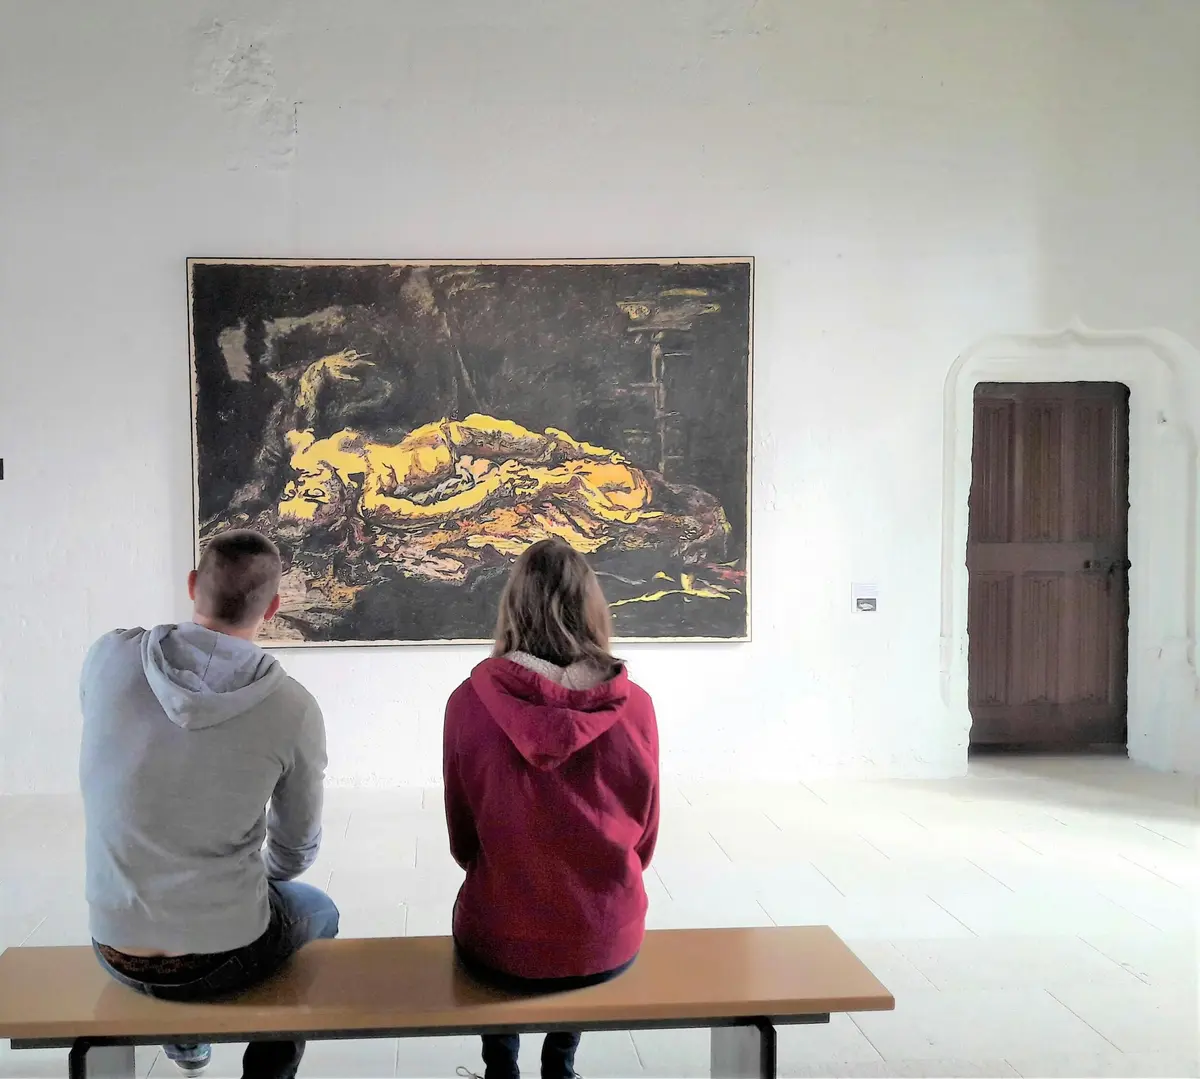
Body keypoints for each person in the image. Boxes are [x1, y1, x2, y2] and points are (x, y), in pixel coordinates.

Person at [79, 530, 337, 1079]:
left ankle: (188, 1047)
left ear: (193, 585)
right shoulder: (293, 709)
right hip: (223, 954)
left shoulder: (108, 656)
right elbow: (295, 851)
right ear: (273, 608)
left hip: (113, 943)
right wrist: (251, 879)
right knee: (320, 912)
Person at [443, 538, 661, 1079]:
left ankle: (501, 1068)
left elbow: (463, 839)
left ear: (512, 607)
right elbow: (644, 836)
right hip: (605, 938)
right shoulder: (635, 707)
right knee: (580, 917)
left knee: (495, 917)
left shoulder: (468, 704)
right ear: (592, 608)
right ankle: (560, 1066)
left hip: (501, 942)